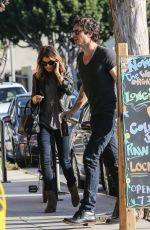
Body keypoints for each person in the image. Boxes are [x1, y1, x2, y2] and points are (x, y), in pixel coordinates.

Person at [63, 16, 119, 225]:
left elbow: (120, 83)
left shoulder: (105, 54)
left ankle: (88, 209)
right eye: (74, 31)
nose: (74, 35)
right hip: (95, 115)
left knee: (90, 157)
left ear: (90, 31)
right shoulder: (80, 59)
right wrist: (72, 111)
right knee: (112, 164)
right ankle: (126, 206)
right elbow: (85, 89)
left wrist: (126, 111)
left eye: (78, 31)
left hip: (108, 113)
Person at [31, 45, 79, 213]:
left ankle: (73, 188)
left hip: (62, 123)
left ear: (56, 60)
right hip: (44, 123)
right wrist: (34, 100)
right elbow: (32, 100)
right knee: (46, 162)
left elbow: (70, 90)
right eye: (44, 64)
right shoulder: (38, 77)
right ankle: (52, 200)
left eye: (50, 63)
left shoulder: (64, 74)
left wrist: (58, 74)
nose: (47, 67)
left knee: (65, 161)